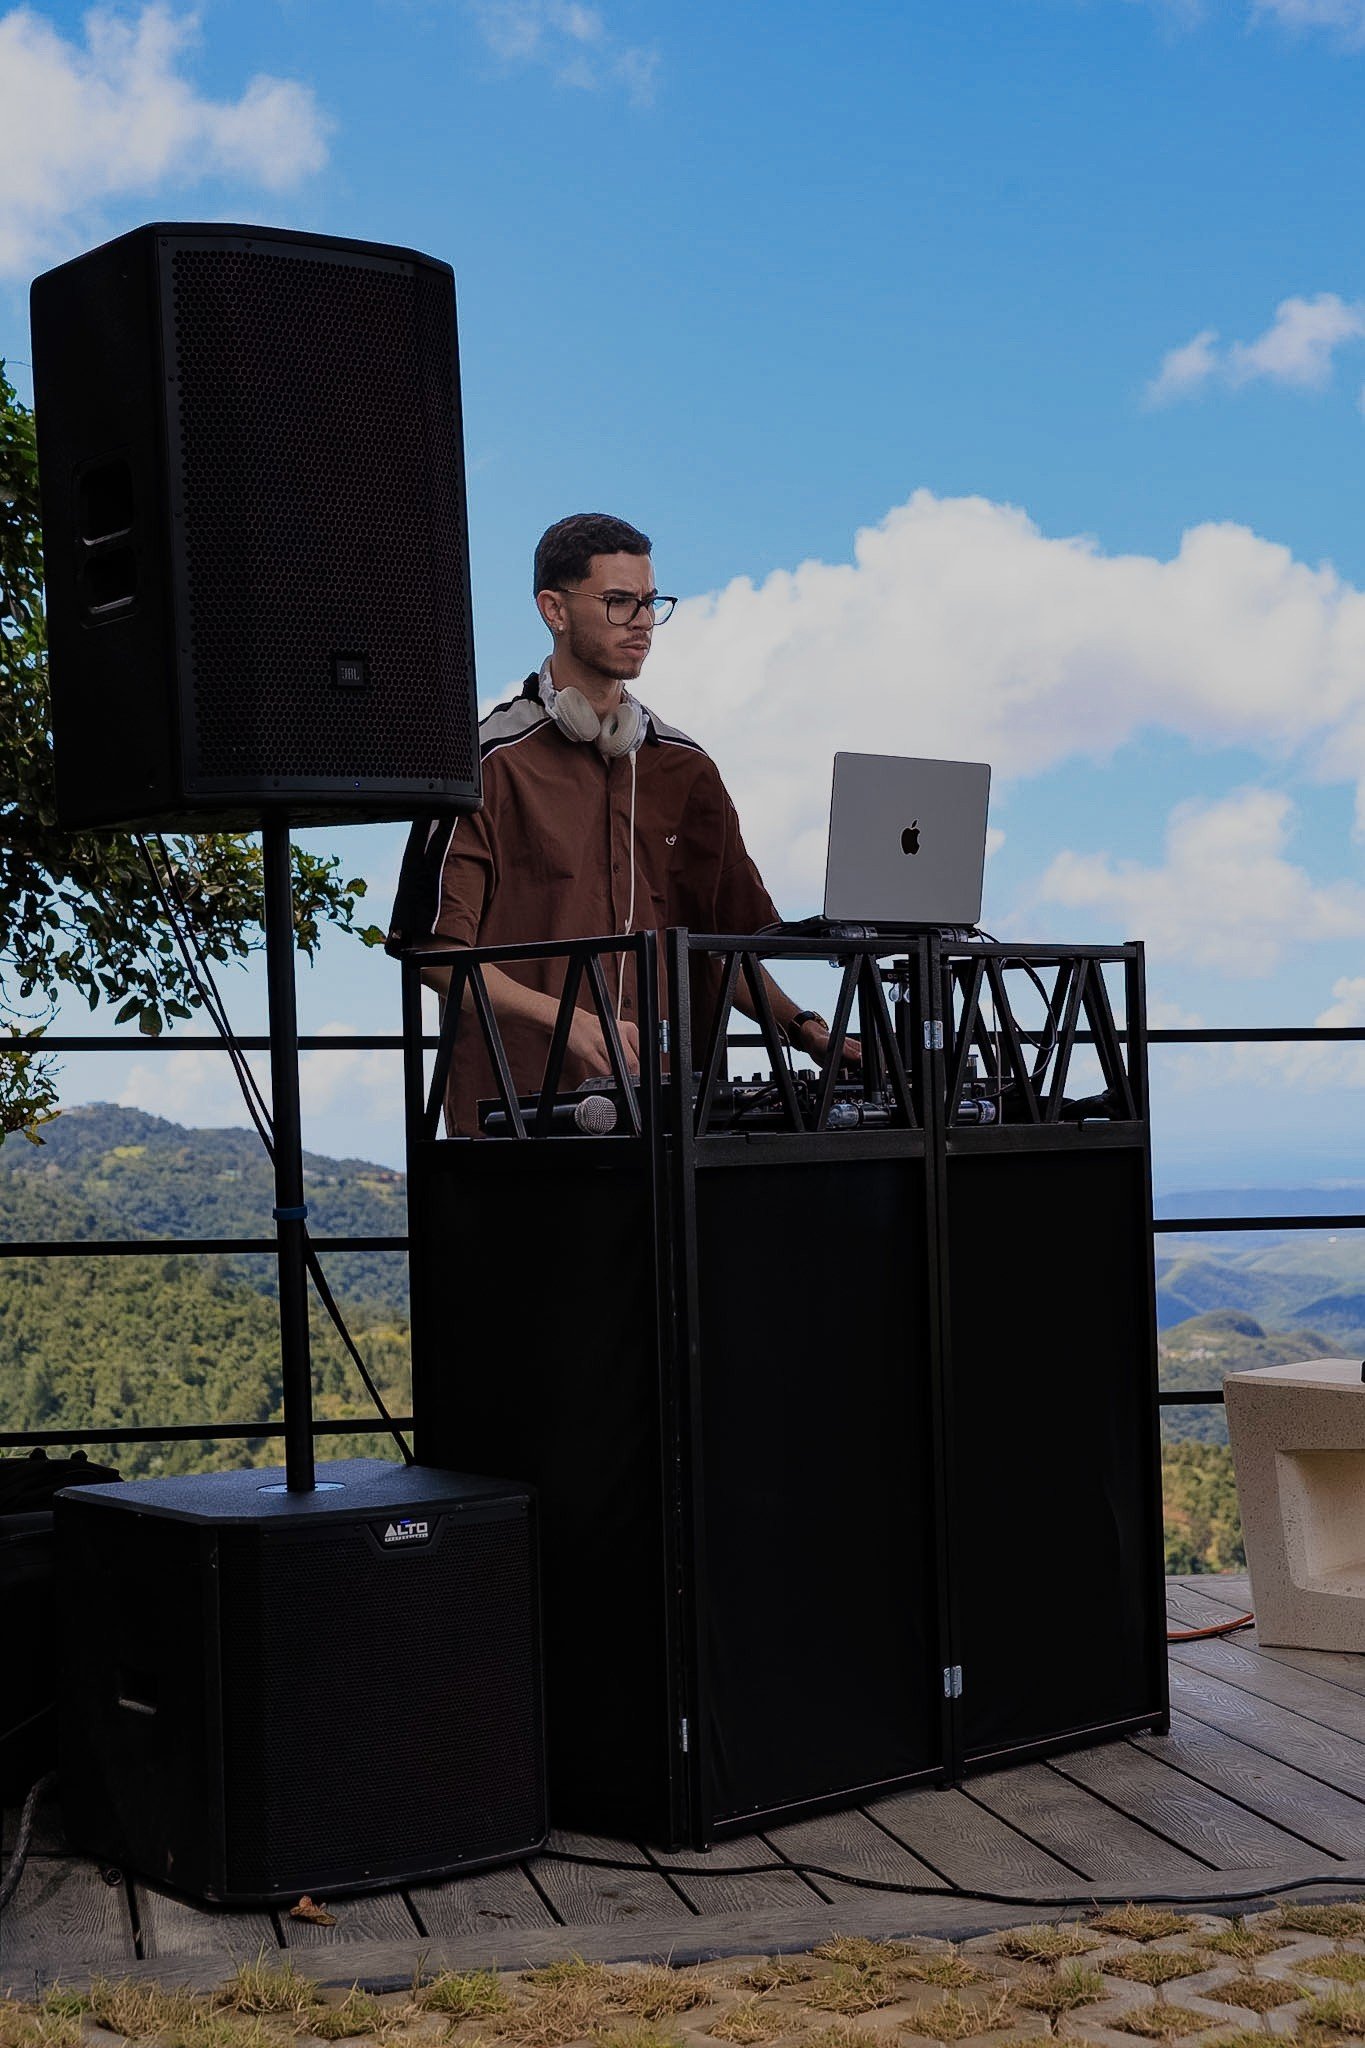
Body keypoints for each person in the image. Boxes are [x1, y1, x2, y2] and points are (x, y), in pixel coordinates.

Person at [389, 512, 851, 1133]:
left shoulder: (687, 770)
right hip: (518, 1120)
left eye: (650, 602)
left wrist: (805, 1029)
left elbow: (719, 950)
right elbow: (433, 955)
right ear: (554, 609)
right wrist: (570, 1022)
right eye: (618, 602)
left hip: (668, 1117)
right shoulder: (482, 766)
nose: (642, 621)